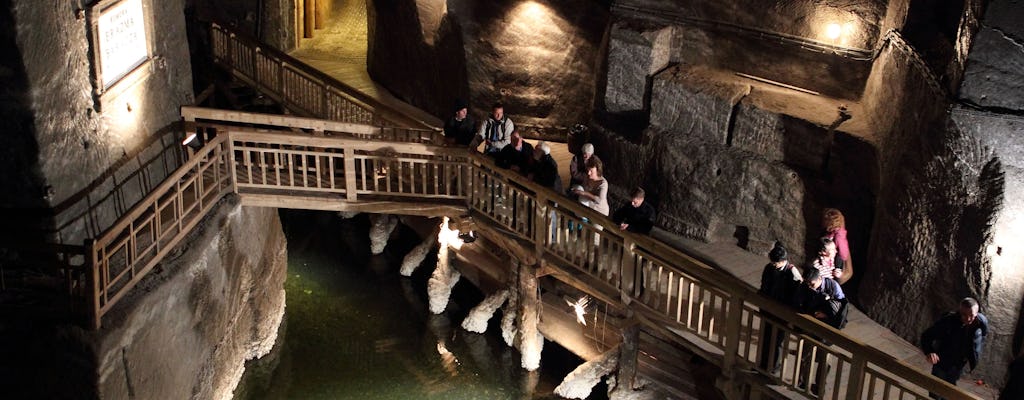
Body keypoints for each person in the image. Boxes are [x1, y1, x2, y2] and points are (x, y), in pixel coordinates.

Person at [792, 268, 847, 395]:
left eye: (812, 284)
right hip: (810, 326)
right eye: (808, 283)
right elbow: (798, 303)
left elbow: (841, 308)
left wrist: (827, 315)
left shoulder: (833, 286)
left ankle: (819, 387)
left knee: (825, 359)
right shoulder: (805, 287)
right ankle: (802, 383)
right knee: (805, 355)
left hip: (826, 329)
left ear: (819, 279)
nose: (810, 286)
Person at [921, 298, 989, 393]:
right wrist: (930, 352)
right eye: (964, 315)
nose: (968, 319)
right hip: (942, 361)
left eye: (972, 316)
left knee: (950, 389)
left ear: (977, 314)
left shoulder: (981, 323)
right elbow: (926, 336)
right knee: (936, 388)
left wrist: (972, 354)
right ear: (960, 312)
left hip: (958, 364)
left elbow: (983, 336)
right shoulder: (948, 322)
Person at [757, 242, 803, 373]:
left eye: (776, 262)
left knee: (777, 342)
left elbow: (797, 294)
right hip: (768, 308)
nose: (773, 264)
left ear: (783, 261)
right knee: (766, 338)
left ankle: (773, 368)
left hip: (782, 311)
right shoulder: (769, 268)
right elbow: (764, 285)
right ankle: (763, 365)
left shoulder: (792, 273)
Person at [821, 208, 852, 284]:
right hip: (833, 251)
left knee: (836, 273)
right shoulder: (835, 233)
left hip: (839, 258)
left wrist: (835, 253)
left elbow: (843, 253)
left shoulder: (839, 237)